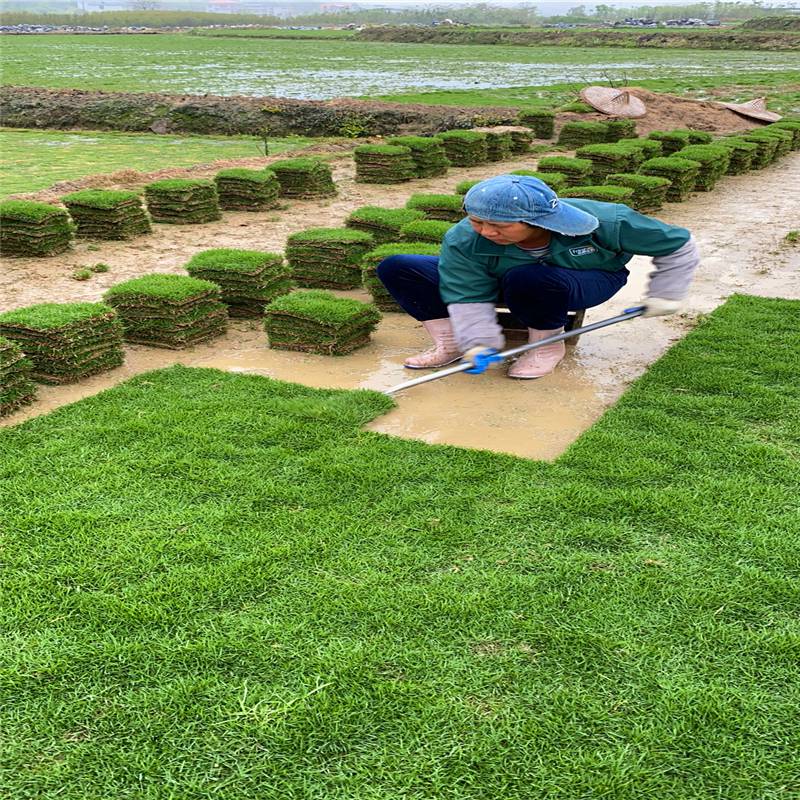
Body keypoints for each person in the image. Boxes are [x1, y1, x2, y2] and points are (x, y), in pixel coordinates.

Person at [376, 174, 700, 379]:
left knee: (530, 278)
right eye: (477, 221)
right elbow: (464, 289)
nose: (486, 232)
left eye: (500, 227)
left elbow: (679, 244)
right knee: (399, 266)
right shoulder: (465, 237)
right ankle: (451, 343)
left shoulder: (608, 220)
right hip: (503, 278)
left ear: (538, 221)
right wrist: (477, 341)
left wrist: (667, 294)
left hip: (586, 279)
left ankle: (545, 347)